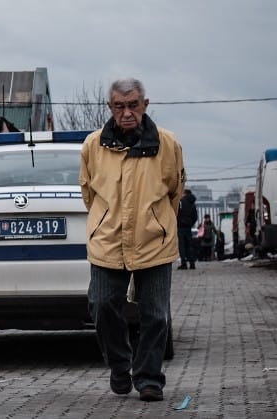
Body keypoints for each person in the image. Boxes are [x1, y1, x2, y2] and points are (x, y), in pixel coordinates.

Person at [80, 77, 185, 403]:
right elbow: (88, 193)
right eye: (119, 106)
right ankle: (120, 364)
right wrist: (106, 222)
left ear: (145, 105)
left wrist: (156, 222)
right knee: (101, 304)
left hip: (154, 240)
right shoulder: (93, 146)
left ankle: (150, 378)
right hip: (108, 241)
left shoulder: (168, 144)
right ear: (111, 108)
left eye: (133, 105)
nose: (127, 113)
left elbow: (174, 191)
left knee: (155, 314)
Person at [177, 190, 198, 269]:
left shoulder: (181, 202)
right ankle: (192, 264)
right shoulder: (192, 203)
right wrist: (190, 223)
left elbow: (176, 213)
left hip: (180, 227)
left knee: (182, 246)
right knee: (190, 245)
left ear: (184, 194)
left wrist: (178, 222)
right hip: (188, 227)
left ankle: (184, 264)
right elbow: (195, 217)